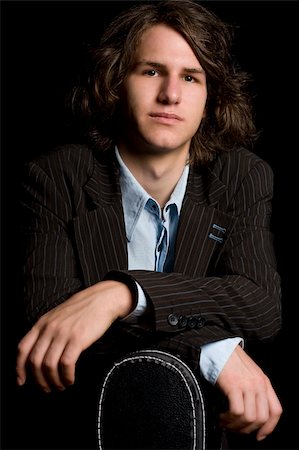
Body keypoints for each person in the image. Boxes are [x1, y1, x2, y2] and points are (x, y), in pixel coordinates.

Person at [15, 0, 283, 448]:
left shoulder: (242, 176)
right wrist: (213, 349)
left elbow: (259, 305)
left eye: (191, 77)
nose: (171, 95)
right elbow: (54, 324)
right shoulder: (56, 176)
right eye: (152, 72)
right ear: (115, 83)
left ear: (209, 98)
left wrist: (123, 293)